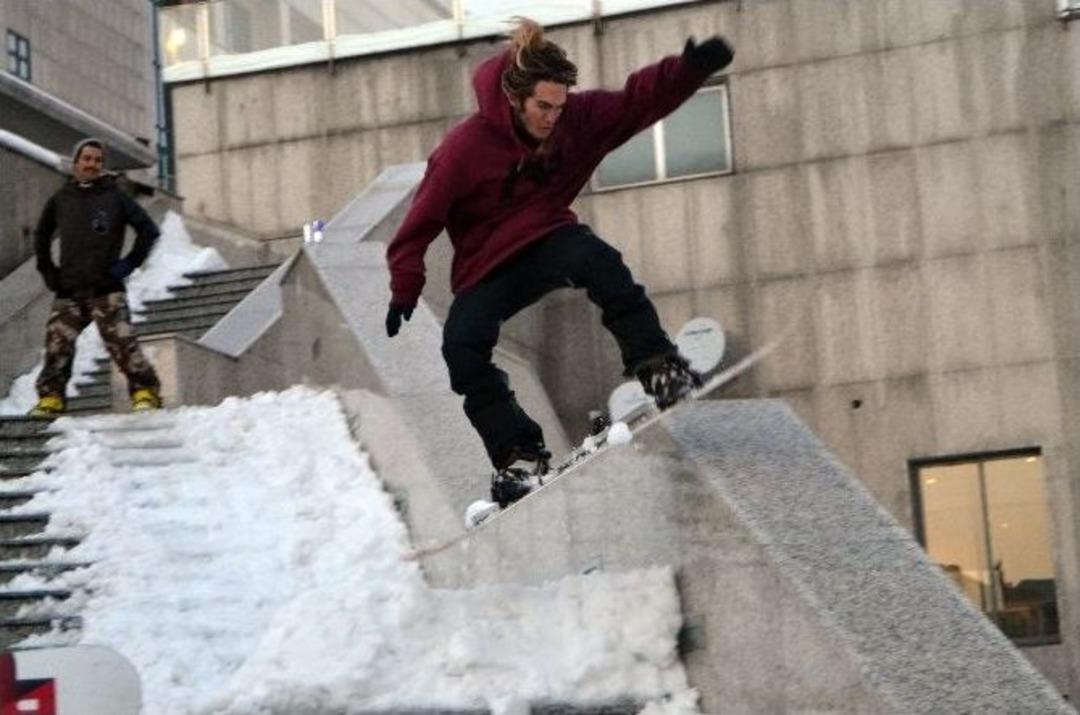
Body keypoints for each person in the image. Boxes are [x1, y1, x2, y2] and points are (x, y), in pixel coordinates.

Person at [385, 18, 734, 506]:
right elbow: (421, 220)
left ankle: (658, 365)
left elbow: (637, 100)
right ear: (515, 100)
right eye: (542, 107)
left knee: (595, 257)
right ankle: (518, 454)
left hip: (547, 237)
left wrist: (691, 69)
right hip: (486, 268)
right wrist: (405, 285)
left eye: (559, 107)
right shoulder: (465, 149)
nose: (551, 118)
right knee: (461, 346)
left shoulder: (578, 120)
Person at [28, 138, 163, 417]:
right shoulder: (61, 198)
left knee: (123, 343)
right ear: (76, 162)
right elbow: (41, 234)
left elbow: (148, 231)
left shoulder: (116, 196)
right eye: (87, 159)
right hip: (69, 290)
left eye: (97, 161)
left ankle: (145, 392)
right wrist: (48, 271)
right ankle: (51, 399)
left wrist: (126, 266)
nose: (92, 164)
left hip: (106, 289)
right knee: (56, 345)